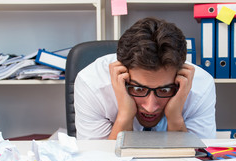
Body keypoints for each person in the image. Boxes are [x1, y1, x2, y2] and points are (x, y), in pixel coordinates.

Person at [74, 17, 216, 140]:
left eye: (165, 89)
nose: (150, 107)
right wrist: (125, 115)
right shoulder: (92, 83)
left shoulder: (200, 86)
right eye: (138, 88)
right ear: (123, 74)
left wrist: (175, 117)